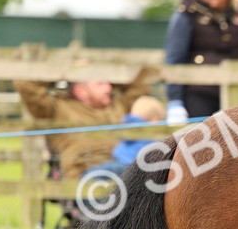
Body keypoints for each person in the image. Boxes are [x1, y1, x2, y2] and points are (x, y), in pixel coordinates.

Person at [14, 68, 157, 179]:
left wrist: (109, 73)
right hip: (87, 173)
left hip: (125, 167)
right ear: (80, 90)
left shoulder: (118, 104)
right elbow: (25, 84)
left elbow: (142, 81)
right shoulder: (56, 108)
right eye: (101, 84)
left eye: (109, 83)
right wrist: (67, 71)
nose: (109, 88)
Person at [85, 95, 167, 177]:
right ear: (155, 121)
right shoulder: (149, 133)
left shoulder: (128, 124)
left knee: (100, 171)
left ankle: (86, 176)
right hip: (130, 165)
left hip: (118, 159)